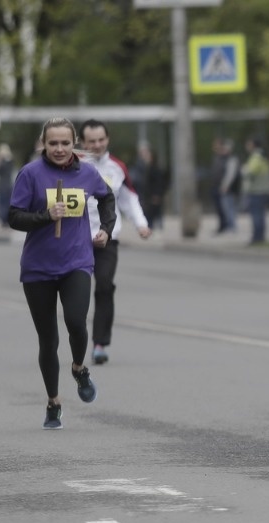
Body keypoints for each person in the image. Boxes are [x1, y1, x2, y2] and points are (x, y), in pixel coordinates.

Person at [8, 117, 116, 429]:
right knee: (48, 340)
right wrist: (45, 215)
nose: (59, 149)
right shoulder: (30, 174)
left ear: (74, 144)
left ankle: (80, 368)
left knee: (76, 322)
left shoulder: (87, 172)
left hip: (76, 262)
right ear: (44, 143)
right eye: (52, 143)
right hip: (38, 267)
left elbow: (107, 198)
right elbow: (14, 216)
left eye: (65, 143)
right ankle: (53, 402)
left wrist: (106, 230)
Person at [79, 119, 153, 365]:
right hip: (75, 240)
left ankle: (100, 343)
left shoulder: (117, 167)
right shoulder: (73, 166)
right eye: (92, 141)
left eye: (101, 140)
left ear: (107, 139)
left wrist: (141, 223)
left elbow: (129, 199)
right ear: (83, 142)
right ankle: (74, 341)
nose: (97, 145)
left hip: (107, 239)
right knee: (75, 294)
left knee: (104, 286)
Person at [241, 138, 269, 245]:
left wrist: (244, 169)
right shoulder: (263, 156)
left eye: (249, 144)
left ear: (253, 145)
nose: (247, 146)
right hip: (263, 190)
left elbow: (251, 171)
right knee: (261, 215)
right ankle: (260, 236)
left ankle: (257, 237)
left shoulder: (256, 157)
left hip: (257, 190)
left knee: (256, 215)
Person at [135, 144, 169, 230]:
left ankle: (155, 228)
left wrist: (157, 194)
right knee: (149, 212)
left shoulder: (155, 169)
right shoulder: (145, 167)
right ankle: (150, 227)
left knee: (155, 212)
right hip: (147, 194)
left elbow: (159, 183)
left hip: (153, 195)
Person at [209, 138, 240, 234]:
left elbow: (230, 175)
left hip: (226, 188)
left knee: (228, 208)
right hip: (217, 187)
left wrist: (225, 185)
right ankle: (223, 226)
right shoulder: (218, 158)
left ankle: (231, 226)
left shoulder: (230, 159)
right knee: (221, 208)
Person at [0, 143, 15, 243]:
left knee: (5, 205)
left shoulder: (7, 161)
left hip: (6, 186)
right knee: (3, 205)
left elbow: (2, 170)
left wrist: (1, 161)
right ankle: (4, 223)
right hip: (4, 186)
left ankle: (6, 223)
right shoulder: (5, 161)